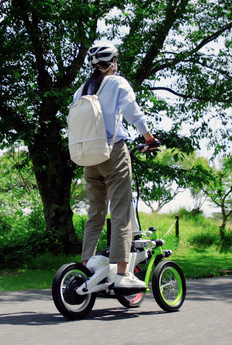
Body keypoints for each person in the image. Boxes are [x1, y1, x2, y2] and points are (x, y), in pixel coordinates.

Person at [74, 43, 159, 289]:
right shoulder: (117, 82)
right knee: (121, 210)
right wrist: (149, 139)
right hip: (113, 152)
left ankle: (85, 266)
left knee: (95, 214)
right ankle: (123, 272)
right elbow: (133, 112)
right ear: (112, 62)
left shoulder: (80, 90)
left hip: (89, 157)